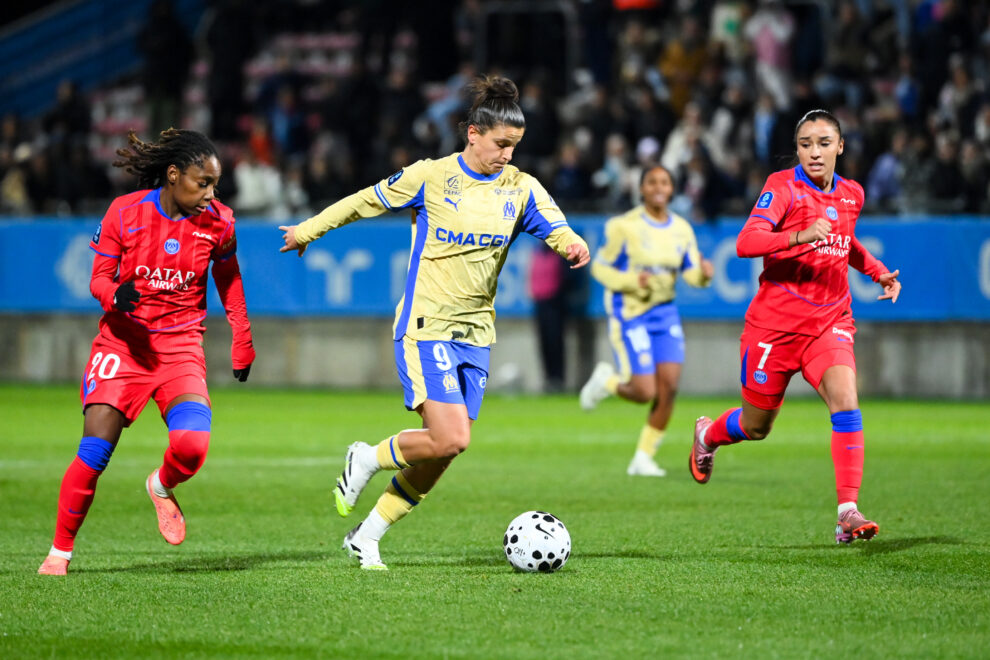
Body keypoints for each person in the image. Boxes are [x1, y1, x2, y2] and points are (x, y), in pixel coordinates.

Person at [279, 75, 590, 570]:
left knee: (444, 451)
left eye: (515, 147)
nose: (507, 155)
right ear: (473, 133)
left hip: (477, 334)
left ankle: (368, 536)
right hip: (427, 324)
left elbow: (556, 226)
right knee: (452, 437)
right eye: (500, 144)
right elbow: (365, 200)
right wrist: (308, 231)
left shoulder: (521, 188)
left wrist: (572, 243)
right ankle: (366, 457)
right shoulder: (432, 176)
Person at [37, 129, 255, 575]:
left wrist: (242, 337)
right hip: (125, 344)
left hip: (180, 347)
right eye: (202, 182)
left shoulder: (220, 222)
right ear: (173, 175)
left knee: (192, 447)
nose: (211, 194)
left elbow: (230, 280)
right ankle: (59, 553)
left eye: (216, 184)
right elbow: (98, 278)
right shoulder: (125, 212)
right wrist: (115, 295)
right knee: (95, 452)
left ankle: (160, 484)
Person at [688, 110, 901, 544]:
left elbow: (846, 241)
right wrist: (799, 236)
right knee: (756, 426)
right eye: (805, 144)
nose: (814, 152)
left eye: (824, 143)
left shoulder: (852, 194)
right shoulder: (782, 187)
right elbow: (748, 242)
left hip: (830, 321)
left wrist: (877, 271)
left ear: (841, 146)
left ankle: (847, 512)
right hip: (774, 328)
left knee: (845, 399)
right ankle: (708, 435)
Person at [579, 164, 714, 477]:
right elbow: (600, 268)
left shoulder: (681, 228)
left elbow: (691, 272)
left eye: (664, 182)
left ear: (671, 189)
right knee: (644, 391)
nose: (658, 187)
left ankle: (643, 458)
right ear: (641, 189)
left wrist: (704, 275)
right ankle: (607, 382)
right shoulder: (623, 226)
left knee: (669, 387)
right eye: (651, 181)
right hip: (630, 311)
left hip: (664, 313)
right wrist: (630, 280)